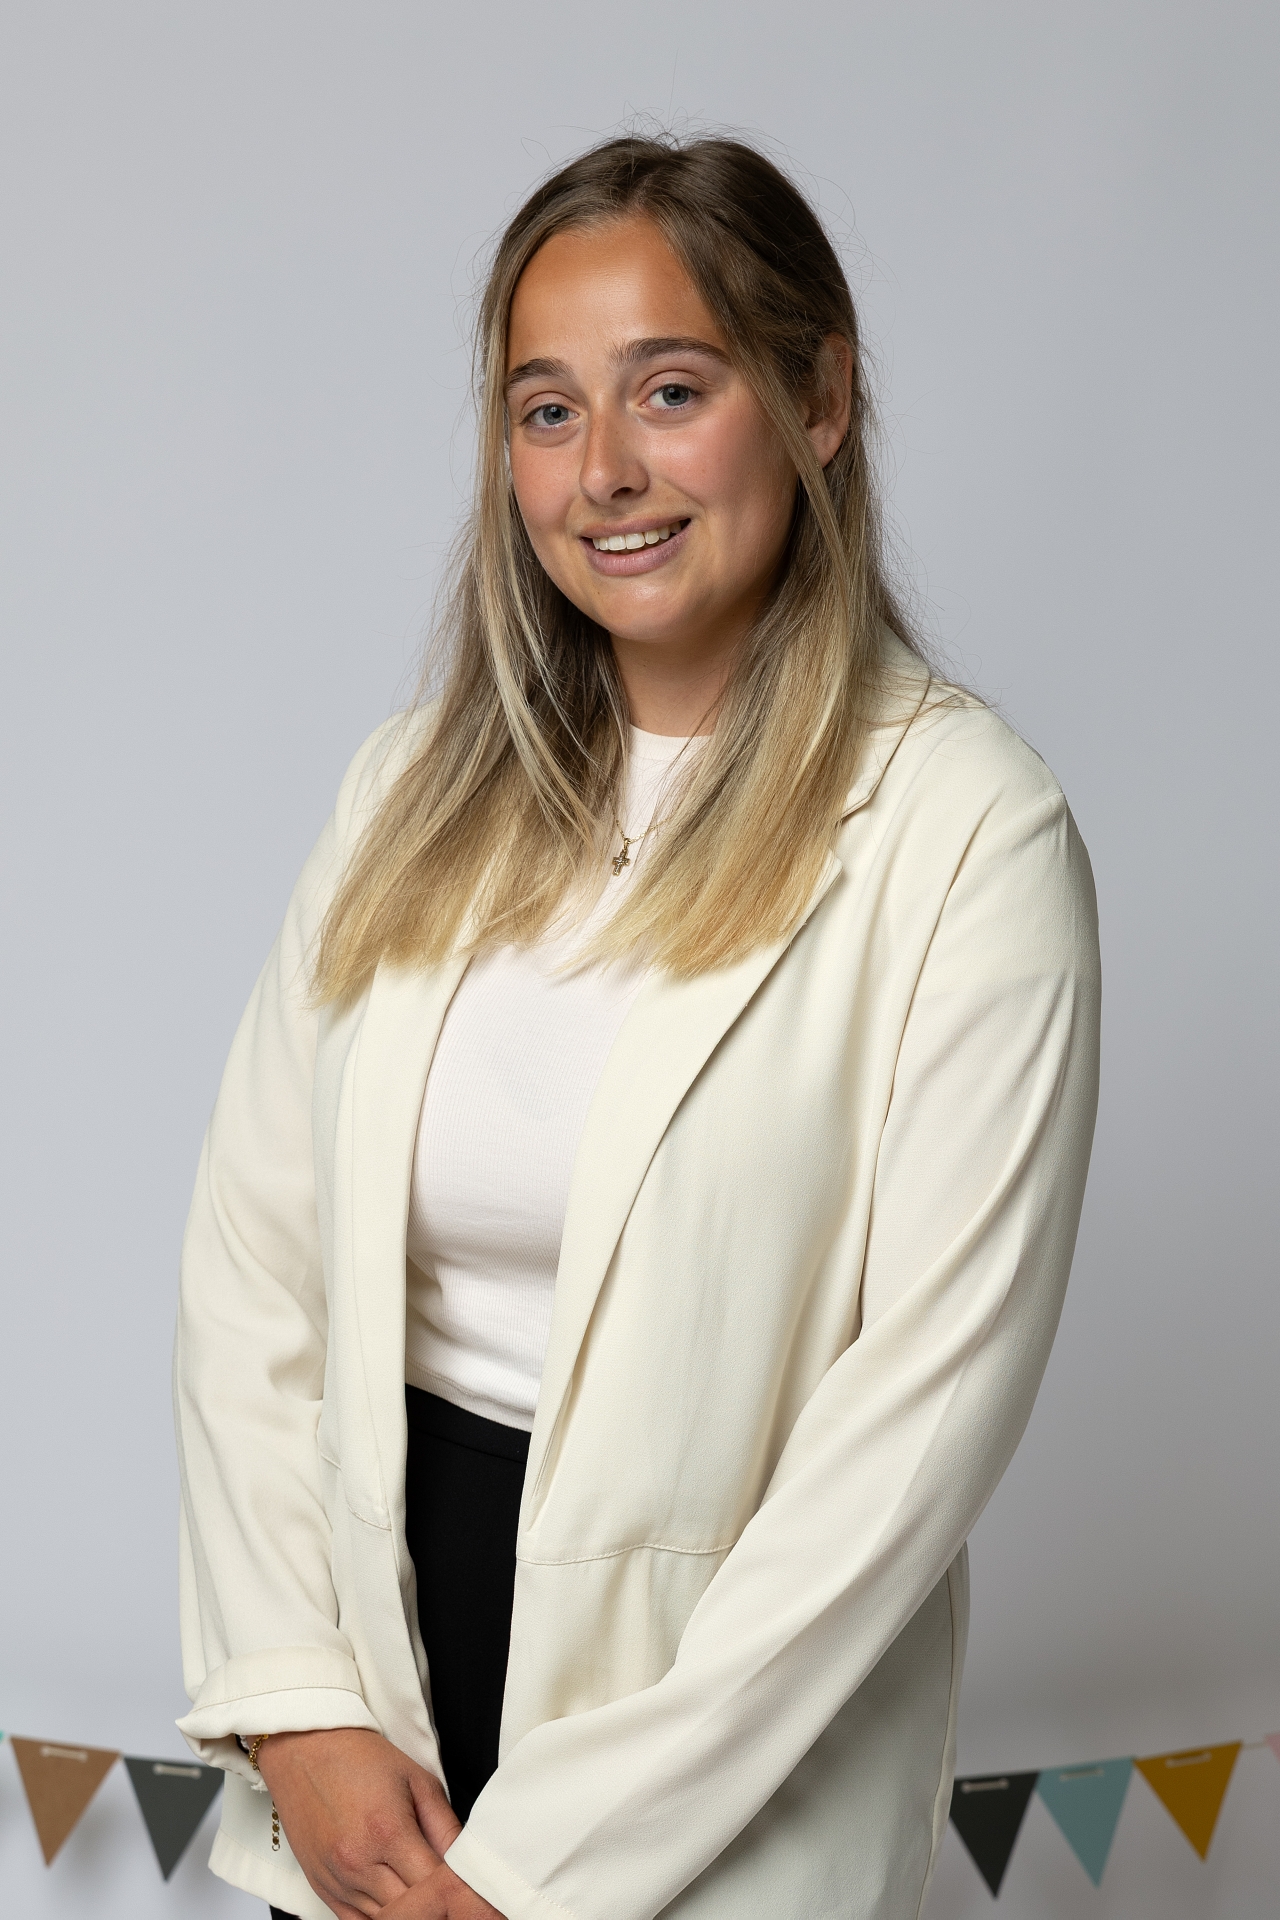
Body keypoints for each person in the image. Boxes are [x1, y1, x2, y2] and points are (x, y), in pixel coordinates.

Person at [173, 134, 1100, 1920]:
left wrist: (546, 1866)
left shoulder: (970, 833)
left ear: (818, 398)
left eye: (671, 390)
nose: (604, 469)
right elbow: (250, 1272)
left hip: (723, 1733)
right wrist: (299, 1708)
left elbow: (914, 1431)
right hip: (378, 1709)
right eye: (546, 411)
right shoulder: (404, 794)